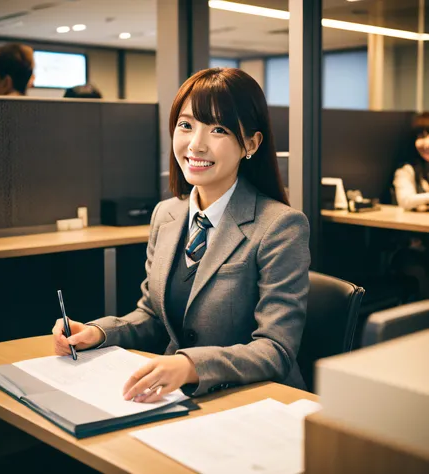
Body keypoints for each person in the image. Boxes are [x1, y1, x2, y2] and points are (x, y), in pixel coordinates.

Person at [52, 67, 311, 402]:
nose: (196, 144)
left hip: (256, 402)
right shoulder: (167, 215)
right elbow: (152, 316)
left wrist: (189, 366)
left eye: (218, 129)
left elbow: (275, 349)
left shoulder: (280, 226)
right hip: (183, 398)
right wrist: (98, 332)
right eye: (186, 125)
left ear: (251, 142)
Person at [391, 112, 429, 298]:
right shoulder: (407, 170)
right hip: (414, 247)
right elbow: (406, 201)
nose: (424, 143)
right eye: (420, 136)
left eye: (428, 135)